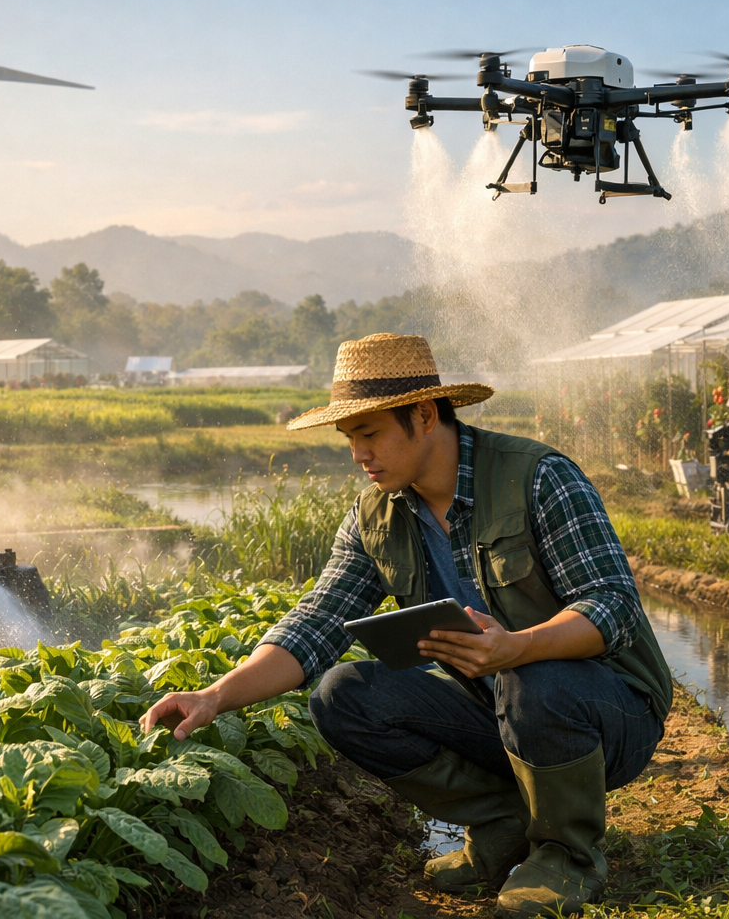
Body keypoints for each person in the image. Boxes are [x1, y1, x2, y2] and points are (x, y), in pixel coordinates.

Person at [141, 333, 672, 917]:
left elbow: (614, 604)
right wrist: (214, 697)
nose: (358, 454)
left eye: (369, 434)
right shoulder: (378, 514)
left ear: (423, 415)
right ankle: (502, 822)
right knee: (343, 695)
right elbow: (318, 621)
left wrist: (515, 647)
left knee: (532, 675)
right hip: (499, 711)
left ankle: (567, 857)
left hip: (608, 712)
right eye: (349, 438)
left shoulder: (538, 478)